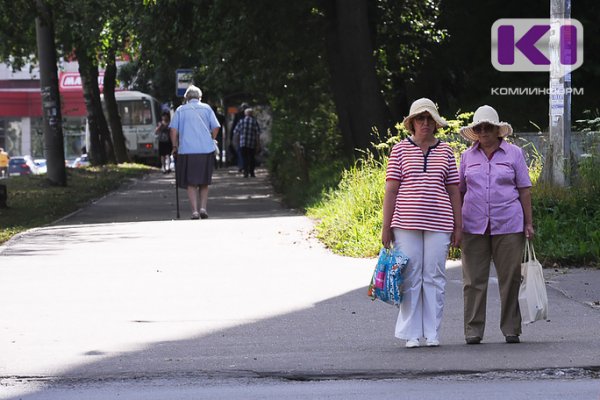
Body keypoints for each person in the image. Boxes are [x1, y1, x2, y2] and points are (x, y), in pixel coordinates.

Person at [381, 98, 462, 348]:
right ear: (412, 123)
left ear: (436, 124)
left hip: (440, 223)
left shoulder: (446, 151)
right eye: (420, 118)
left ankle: (432, 332)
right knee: (410, 275)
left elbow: (454, 191)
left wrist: (459, 227)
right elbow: (391, 190)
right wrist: (386, 227)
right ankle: (412, 333)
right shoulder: (399, 150)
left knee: (435, 276)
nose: (425, 123)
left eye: (429, 119)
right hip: (405, 223)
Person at [458, 105, 534, 345]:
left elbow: (524, 190)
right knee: (473, 281)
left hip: (509, 224)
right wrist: (457, 225)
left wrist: (528, 223)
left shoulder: (514, 154)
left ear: (497, 130)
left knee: (510, 279)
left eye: (488, 127)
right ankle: (473, 330)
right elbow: (459, 191)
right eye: (479, 127)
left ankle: (511, 328)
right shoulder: (466, 157)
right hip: (473, 225)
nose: (483, 131)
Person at [169, 85, 221, 220]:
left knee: (191, 182)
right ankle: (203, 208)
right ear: (200, 97)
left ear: (186, 97)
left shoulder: (181, 110)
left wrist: (175, 146)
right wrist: (211, 139)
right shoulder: (207, 108)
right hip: (205, 150)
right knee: (204, 181)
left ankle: (195, 212)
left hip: (187, 150)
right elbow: (216, 126)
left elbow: (173, 130)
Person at [233, 108, 261, 178]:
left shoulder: (241, 121)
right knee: (251, 158)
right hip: (251, 143)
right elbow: (257, 134)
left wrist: (237, 142)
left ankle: (245, 173)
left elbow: (236, 133)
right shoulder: (254, 122)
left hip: (243, 143)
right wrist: (258, 144)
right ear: (251, 114)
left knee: (244, 158)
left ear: (245, 114)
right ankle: (252, 173)